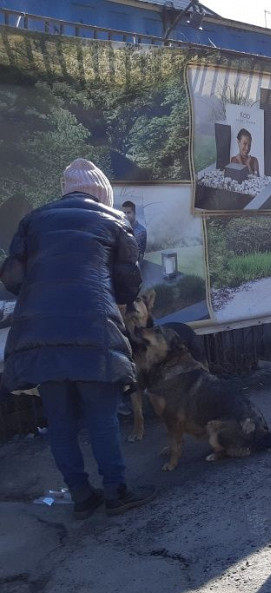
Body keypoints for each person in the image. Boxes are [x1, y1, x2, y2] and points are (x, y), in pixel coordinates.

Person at [0, 158, 155, 519]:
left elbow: (12, 278)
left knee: (60, 420)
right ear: (103, 194)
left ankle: (82, 496)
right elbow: (129, 285)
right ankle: (117, 492)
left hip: (41, 336)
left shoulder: (33, 220)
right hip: (93, 330)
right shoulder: (115, 221)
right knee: (102, 417)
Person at [121, 200, 147, 264]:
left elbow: (138, 257)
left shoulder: (140, 232)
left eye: (129, 212)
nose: (126, 215)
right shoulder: (120, 228)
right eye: (124, 213)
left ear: (134, 213)